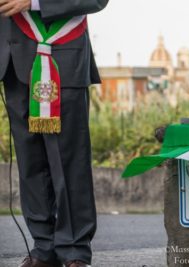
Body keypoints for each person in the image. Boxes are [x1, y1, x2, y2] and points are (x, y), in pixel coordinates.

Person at [0, 0, 108, 266]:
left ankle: (74, 249)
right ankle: (43, 247)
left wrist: (33, 1)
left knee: (68, 160)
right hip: (13, 56)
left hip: (62, 54)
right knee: (30, 163)